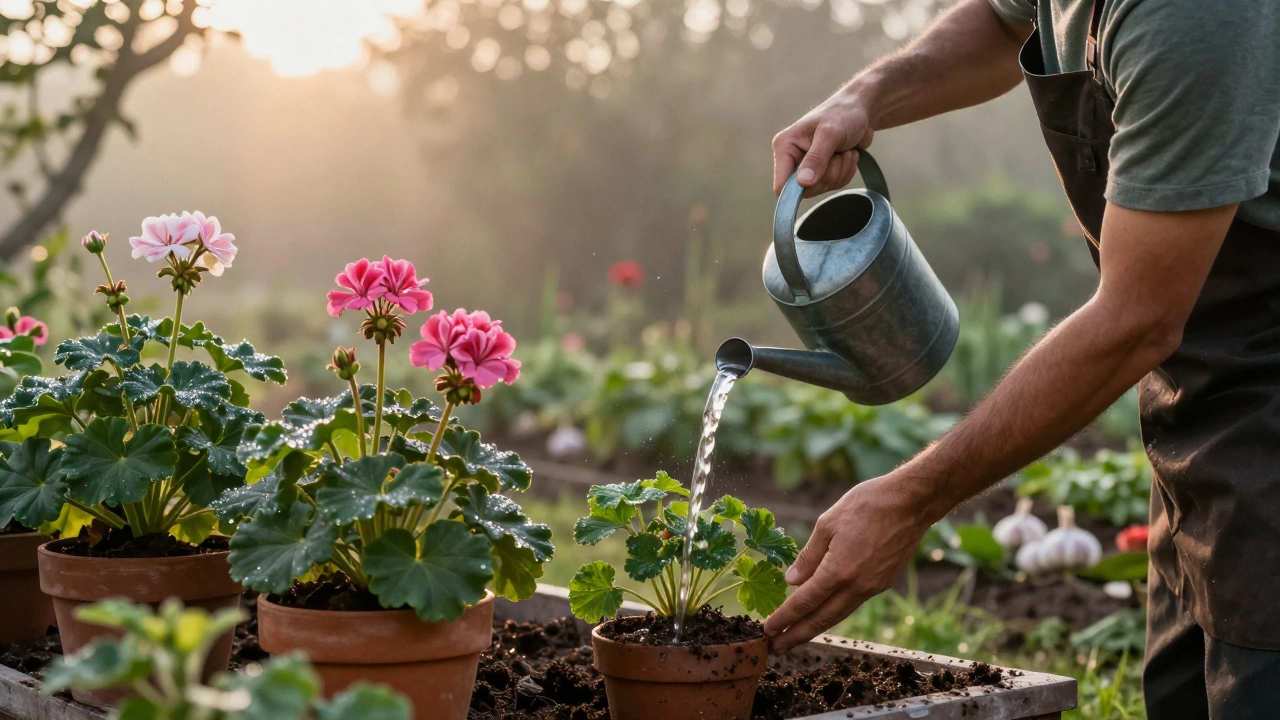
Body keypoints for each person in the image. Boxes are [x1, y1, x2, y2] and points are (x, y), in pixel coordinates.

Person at [762, 1, 1280, 716]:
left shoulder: (1198, 16)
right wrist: (865, 96)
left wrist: (911, 500)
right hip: (1204, 414)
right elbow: (1005, 22)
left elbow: (1138, 320)